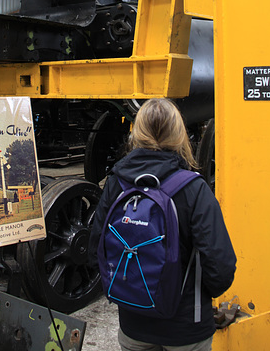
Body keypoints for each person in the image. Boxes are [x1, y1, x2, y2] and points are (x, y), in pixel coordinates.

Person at [89, 98, 236, 351]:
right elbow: (220, 267)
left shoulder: (117, 182)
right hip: (186, 329)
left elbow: (96, 250)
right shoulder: (194, 188)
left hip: (134, 324)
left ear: (137, 132)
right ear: (179, 134)